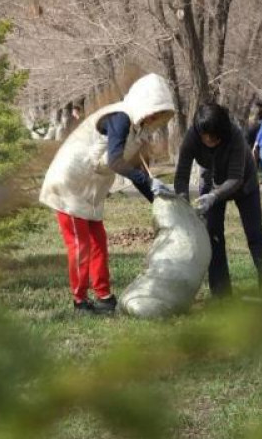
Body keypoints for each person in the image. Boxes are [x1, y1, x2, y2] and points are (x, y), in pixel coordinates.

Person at [39, 73, 176, 315]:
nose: (154, 117)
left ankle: (103, 296)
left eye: (158, 114)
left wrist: (158, 199)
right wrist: (148, 183)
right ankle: (79, 301)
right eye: (153, 111)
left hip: (89, 191)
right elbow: (115, 162)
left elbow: (133, 168)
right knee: (80, 246)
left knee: (98, 243)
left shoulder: (136, 128)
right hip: (69, 185)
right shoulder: (120, 118)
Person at [173, 102, 262, 298]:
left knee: (254, 233)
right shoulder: (192, 137)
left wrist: (214, 196)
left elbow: (235, 177)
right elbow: (182, 175)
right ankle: (221, 294)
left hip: (243, 183)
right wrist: (183, 201)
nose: (209, 141)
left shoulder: (234, 135)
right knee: (213, 236)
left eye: (214, 137)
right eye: (206, 137)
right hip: (211, 182)